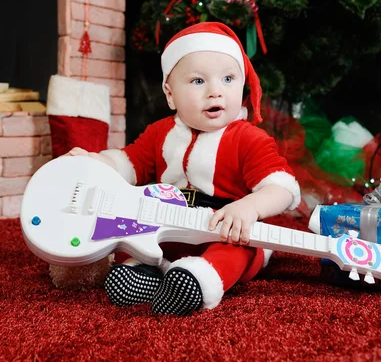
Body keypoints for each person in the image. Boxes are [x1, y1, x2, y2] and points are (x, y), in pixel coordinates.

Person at [68, 22, 300, 315]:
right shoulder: (160, 132)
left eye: (228, 79)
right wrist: (98, 163)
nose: (216, 92)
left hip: (223, 229)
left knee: (236, 250)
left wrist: (249, 207)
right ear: (170, 93)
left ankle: (198, 281)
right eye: (198, 81)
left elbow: (281, 186)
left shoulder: (249, 138)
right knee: (134, 236)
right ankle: (146, 271)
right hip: (169, 226)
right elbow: (130, 162)